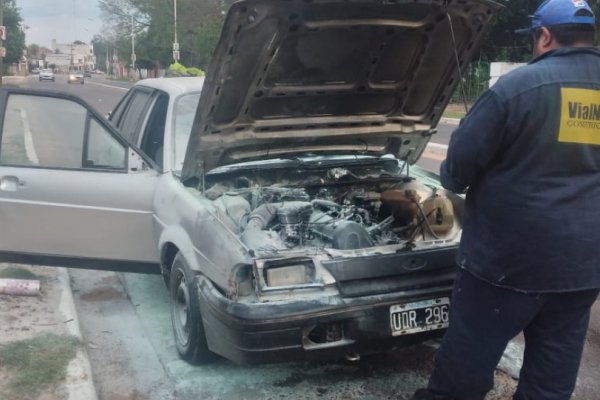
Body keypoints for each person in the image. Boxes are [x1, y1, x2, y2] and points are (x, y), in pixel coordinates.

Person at [411, 0, 600, 399]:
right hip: (582, 267)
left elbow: (456, 172)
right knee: (551, 377)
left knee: (465, 367)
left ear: (544, 35)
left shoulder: (517, 88)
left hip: (506, 266)